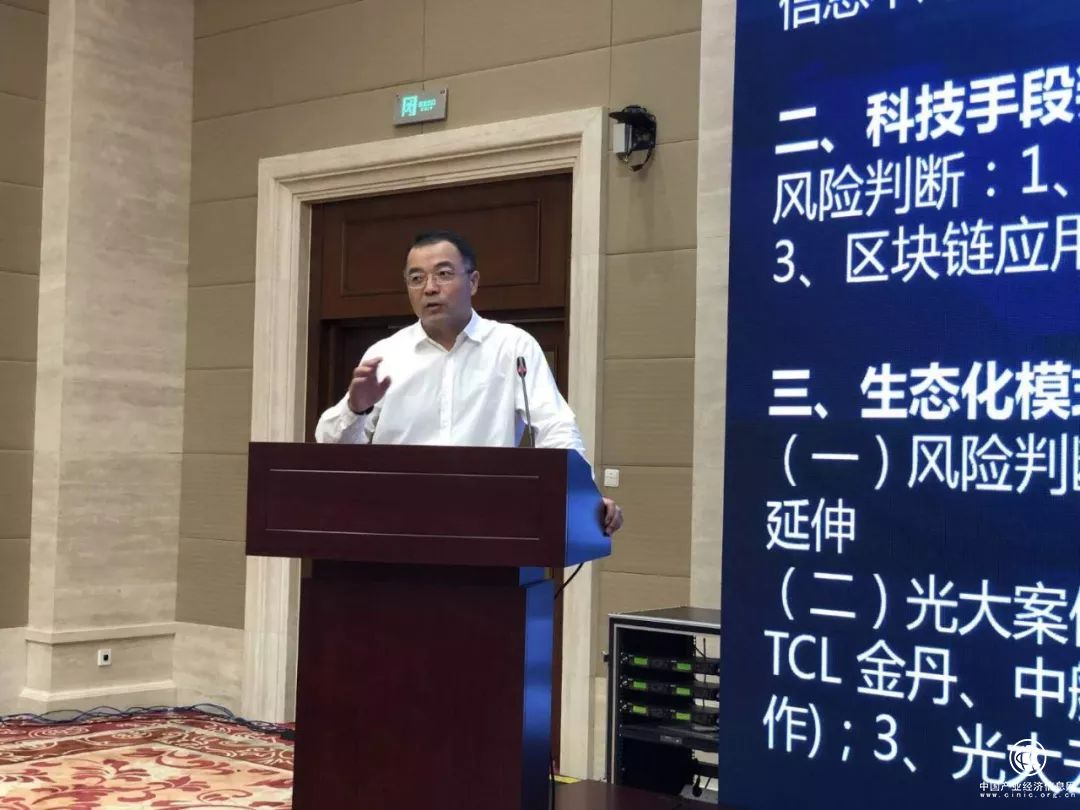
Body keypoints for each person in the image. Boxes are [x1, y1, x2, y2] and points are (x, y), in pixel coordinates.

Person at [315, 229, 624, 535]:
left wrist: (582, 497)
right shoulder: (385, 354)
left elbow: (555, 427)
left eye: (443, 274)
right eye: (416, 278)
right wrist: (356, 408)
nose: (429, 288)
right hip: (397, 524)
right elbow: (331, 453)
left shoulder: (512, 346)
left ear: (473, 281)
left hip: (487, 523)